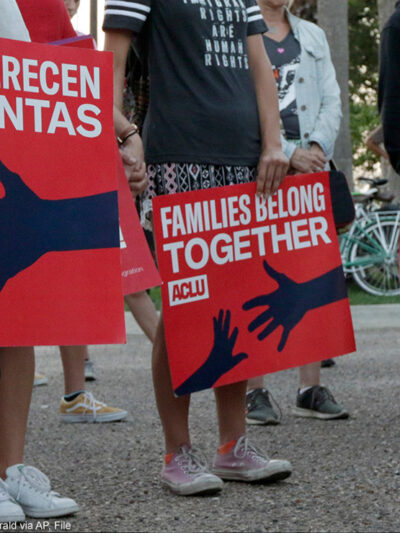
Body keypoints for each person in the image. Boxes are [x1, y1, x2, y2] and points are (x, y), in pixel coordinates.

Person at [103, 0, 293, 497]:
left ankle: (233, 445)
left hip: (247, 161)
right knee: (186, 305)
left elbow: (260, 67)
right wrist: (121, 138)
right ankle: (176, 451)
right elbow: (110, 66)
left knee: (237, 297)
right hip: (179, 155)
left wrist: (275, 143)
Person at [245, 0, 348, 425]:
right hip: (260, 166)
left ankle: (310, 387)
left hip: (311, 165)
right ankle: (254, 391)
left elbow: (331, 98)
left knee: (311, 269)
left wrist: (317, 149)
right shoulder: (242, 30)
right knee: (254, 272)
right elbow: (239, 100)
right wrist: (287, 153)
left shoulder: (312, 35)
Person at [0, 0, 80, 522]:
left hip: (11, 159)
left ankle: (10, 472)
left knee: (13, 322)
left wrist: (121, 137)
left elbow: (44, 75)